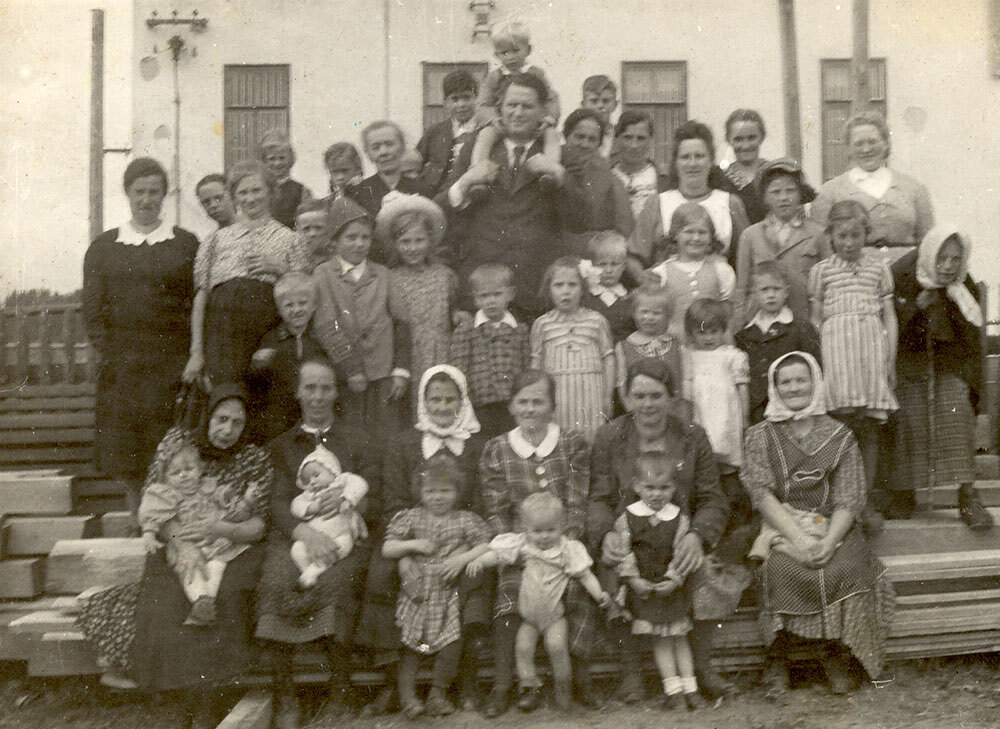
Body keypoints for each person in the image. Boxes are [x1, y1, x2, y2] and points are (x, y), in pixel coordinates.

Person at [76, 383, 272, 728]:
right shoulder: (176, 444)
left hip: (228, 547)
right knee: (167, 602)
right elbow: (156, 503)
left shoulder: (254, 458)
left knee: (224, 598)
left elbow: (259, 524)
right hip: (174, 544)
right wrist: (180, 542)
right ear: (207, 415)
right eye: (221, 419)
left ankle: (210, 700)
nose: (227, 430)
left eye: (237, 423)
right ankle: (180, 701)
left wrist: (220, 529)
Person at [741, 352, 895, 697]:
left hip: (831, 526)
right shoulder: (759, 436)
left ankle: (834, 654)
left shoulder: (840, 435)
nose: (794, 387)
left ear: (815, 382)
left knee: (848, 566)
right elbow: (762, 494)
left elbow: (849, 497)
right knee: (779, 567)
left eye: (801, 379)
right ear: (774, 388)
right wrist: (797, 538)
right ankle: (778, 658)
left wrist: (827, 541)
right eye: (786, 381)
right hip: (782, 525)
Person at [589, 359, 733, 702]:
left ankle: (702, 666)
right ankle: (630, 672)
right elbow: (597, 497)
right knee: (610, 572)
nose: (647, 404)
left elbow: (713, 498)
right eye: (639, 395)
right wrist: (606, 533)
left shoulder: (692, 436)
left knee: (704, 573)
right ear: (626, 397)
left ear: (671, 397)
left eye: (656, 395)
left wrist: (697, 535)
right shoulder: (611, 436)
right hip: (630, 537)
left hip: (678, 538)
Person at [355, 364, 490, 716]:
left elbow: (479, 506)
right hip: (411, 539)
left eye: (450, 399)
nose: (443, 407)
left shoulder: (475, 445)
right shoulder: (404, 443)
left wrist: (461, 549)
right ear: (423, 401)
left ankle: (464, 681)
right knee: (381, 576)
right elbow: (393, 504)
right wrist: (404, 558)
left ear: (462, 401)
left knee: (473, 577)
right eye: (435, 399)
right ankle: (391, 684)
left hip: (458, 539)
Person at [258, 357, 381, 729]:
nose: (318, 395)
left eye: (326, 387)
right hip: (296, 536)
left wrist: (356, 507)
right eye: (310, 387)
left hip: (345, 534)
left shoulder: (357, 438)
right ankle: (285, 693)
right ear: (297, 392)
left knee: (337, 579)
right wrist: (304, 532)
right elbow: (278, 502)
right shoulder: (283, 445)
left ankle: (339, 689)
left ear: (336, 391)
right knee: (277, 577)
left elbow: (375, 490)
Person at [83, 157, 199, 516]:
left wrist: (189, 355)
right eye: (139, 191)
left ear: (164, 195)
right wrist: (112, 353)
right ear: (127, 194)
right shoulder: (104, 247)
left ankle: (169, 518)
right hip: (124, 366)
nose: (146, 199)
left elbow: (196, 302)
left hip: (171, 364)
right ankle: (137, 518)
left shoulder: (184, 243)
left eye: (154, 191)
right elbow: (93, 309)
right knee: (127, 448)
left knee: (167, 443)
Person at [478, 370, 594, 717]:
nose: (531, 408)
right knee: (509, 592)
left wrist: (565, 542)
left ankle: (580, 680)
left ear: (552, 406)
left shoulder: (572, 443)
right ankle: (506, 683)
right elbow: (496, 507)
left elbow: (577, 500)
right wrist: (515, 547)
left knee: (579, 589)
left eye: (538, 401)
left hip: (562, 542)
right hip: (521, 547)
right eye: (523, 402)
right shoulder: (497, 449)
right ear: (512, 406)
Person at [438, 72, 589, 319]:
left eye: (527, 106)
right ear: (500, 108)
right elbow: (441, 213)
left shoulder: (564, 157)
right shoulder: (476, 149)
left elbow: (580, 221)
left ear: (543, 112)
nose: (517, 113)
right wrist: (466, 182)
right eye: (511, 105)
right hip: (482, 294)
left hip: (538, 295)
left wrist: (560, 177)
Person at [470, 493, 611, 713]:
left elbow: (585, 575)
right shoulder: (522, 546)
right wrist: (480, 560)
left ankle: (563, 689)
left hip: (555, 617)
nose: (544, 537)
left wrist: (599, 593)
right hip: (529, 618)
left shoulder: (566, 550)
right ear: (525, 529)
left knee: (556, 647)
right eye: (537, 531)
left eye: (551, 530)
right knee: (523, 648)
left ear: (561, 526)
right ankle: (530, 687)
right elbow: (498, 556)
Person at [891, 226, 992, 529]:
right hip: (908, 361)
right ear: (929, 255)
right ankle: (904, 492)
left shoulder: (965, 285)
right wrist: (914, 311)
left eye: (955, 259)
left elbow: (970, 340)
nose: (948, 266)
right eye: (942, 259)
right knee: (909, 418)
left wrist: (971, 386)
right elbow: (890, 329)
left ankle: (967, 495)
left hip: (949, 363)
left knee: (957, 412)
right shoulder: (903, 276)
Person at [809, 200, 898, 534]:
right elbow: (816, 320)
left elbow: (889, 316)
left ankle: (863, 500)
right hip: (837, 355)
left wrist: (889, 358)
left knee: (868, 430)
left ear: (866, 234)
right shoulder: (821, 271)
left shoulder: (878, 267)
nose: (849, 242)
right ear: (831, 236)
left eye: (856, 235)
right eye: (841, 236)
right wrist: (823, 363)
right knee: (839, 429)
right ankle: (838, 501)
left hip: (870, 353)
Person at [383, 453, 492, 719]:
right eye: (430, 491)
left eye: (445, 490)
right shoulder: (410, 517)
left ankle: (437, 694)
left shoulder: (465, 519)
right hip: (417, 593)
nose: (438, 497)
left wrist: (461, 559)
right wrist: (412, 545)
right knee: (412, 645)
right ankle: (409, 699)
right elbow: (388, 547)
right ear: (420, 491)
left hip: (447, 593)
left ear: (457, 492)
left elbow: (486, 543)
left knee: (451, 642)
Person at [184, 160, 309, 389]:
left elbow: (304, 295)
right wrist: (196, 352)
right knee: (226, 398)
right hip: (221, 339)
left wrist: (282, 270)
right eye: (243, 192)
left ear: (271, 192)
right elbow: (201, 299)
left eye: (256, 190)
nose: (250, 198)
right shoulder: (214, 241)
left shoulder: (291, 239)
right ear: (234, 196)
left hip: (267, 337)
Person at [608, 451, 704, 710]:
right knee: (661, 640)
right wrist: (633, 580)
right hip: (645, 590)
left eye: (664, 488)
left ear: (674, 487)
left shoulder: (679, 519)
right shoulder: (626, 518)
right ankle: (674, 691)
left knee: (680, 637)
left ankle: (691, 687)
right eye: (649, 487)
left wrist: (675, 578)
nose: (657, 494)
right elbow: (624, 553)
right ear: (637, 486)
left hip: (671, 589)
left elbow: (681, 553)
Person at [312, 196, 410, 443]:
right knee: (352, 436)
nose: (359, 244)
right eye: (351, 237)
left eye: (365, 238)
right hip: (346, 375)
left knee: (386, 434)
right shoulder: (323, 274)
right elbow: (326, 325)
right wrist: (351, 369)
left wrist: (400, 370)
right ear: (334, 241)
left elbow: (401, 323)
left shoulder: (383, 274)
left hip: (383, 372)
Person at [138, 442, 253, 626]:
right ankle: (200, 599)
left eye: (189, 469)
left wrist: (240, 499)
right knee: (190, 570)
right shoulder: (166, 494)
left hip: (215, 542)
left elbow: (226, 499)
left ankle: (207, 600)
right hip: (186, 543)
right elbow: (153, 514)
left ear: (200, 469)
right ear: (165, 477)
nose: (183, 475)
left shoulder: (209, 487)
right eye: (175, 473)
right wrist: (148, 533)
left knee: (217, 565)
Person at [811, 110, 934, 265]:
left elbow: (929, 242)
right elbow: (823, 246)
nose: (866, 149)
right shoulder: (829, 192)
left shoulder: (914, 188)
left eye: (872, 141)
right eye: (858, 144)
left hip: (908, 277)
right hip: (854, 276)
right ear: (848, 148)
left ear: (885, 143)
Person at [630, 120, 749, 274]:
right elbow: (634, 256)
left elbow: (749, 254)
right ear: (676, 162)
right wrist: (645, 280)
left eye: (699, 156)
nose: (692, 164)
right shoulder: (658, 203)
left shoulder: (730, 203)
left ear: (711, 160)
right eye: (685, 157)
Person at [379, 191, 461, 391]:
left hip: (441, 352)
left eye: (419, 240)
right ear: (395, 244)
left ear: (430, 241)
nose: (413, 248)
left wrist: (459, 315)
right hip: (406, 356)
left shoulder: (445, 275)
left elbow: (453, 311)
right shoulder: (390, 278)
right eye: (405, 242)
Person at [681, 299, 751, 526]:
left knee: (728, 464)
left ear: (724, 330)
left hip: (725, 417)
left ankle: (733, 516)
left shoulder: (731, 355)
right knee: (704, 462)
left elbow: (742, 387)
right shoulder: (688, 355)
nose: (709, 337)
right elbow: (687, 390)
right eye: (702, 333)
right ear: (691, 333)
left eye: (714, 331)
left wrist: (745, 418)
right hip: (700, 415)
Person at [734, 158, 828, 326]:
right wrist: (739, 327)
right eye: (775, 192)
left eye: (790, 191)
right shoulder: (750, 235)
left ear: (801, 194)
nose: (783, 198)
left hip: (805, 323)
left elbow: (829, 284)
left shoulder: (818, 234)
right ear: (765, 198)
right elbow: (742, 289)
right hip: (761, 324)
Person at [470, 20, 562, 191]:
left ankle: (549, 171)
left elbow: (551, 98)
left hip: (532, 123)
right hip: (500, 122)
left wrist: (549, 118)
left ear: (528, 50)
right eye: (504, 53)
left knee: (552, 135)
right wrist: (492, 120)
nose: (510, 57)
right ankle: (478, 173)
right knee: (485, 135)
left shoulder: (536, 74)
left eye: (515, 50)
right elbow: (482, 104)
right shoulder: (494, 77)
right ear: (496, 55)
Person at [530, 257, 615, 441]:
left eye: (572, 285)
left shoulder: (596, 320)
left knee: (592, 435)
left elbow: (608, 357)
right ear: (549, 290)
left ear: (583, 289)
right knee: (560, 437)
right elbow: (536, 363)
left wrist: (608, 396)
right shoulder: (542, 324)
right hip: (557, 393)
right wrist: (537, 397)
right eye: (559, 285)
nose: (565, 291)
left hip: (591, 391)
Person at [449, 263, 531, 440]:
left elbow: (526, 367)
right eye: (484, 296)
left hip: (511, 404)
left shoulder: (520, 329)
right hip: (480, 405)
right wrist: (467, 400)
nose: (491, 301)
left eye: (497, 294)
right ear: (475, 299)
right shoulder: (467, 330)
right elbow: (459, 369)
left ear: (510, 294)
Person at [735, 262, 821, 425]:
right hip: (758, 410)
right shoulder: (744, 334)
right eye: (764, 290)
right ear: (754, 294)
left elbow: (815, 368)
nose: (771, 295)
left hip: (792, 406)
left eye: (776, 289)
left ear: (786, 292)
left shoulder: (800, 328)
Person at [248, 273, 328, 444]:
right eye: (289, 305)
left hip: (312, 407)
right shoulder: (272, 338)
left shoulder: (319, 337)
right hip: (279, 412)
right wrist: (258, 364)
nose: (297, 310)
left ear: (314, 305)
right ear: (279, 310)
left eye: (303, 303)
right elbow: (257, 382)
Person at [647, 202, 737, 342]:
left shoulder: (721, 270)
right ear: (676, 235)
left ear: (710, 237)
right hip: (676, 344)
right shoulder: (661, 273)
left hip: (712, 345)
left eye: (702, 232)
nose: (695, 238)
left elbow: (728, 315)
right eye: (689, 232)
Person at [290, 445, 369, 587]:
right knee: (297, 549)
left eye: (316, 474)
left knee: (345, 544)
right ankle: (308, 572)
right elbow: (295, 505)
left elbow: (360, 483)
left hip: (340, 535)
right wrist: (309, 508)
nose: (312, 482)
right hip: (314, 536)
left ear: (332, 470)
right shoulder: (309, 494)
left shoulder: (342, 481)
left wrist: (347, 497)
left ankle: (312, 572)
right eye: (307, 480)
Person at [348, 120, 428, 262]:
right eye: (376, 147)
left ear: (402, 147)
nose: (383, 152)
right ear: (368, 154)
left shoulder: (422, 189)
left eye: (389, 144)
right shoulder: (357, 193)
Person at [560, 108, 633, 257]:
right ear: (566, 136)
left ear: (599, 144)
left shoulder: (611, 180)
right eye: (579, 137)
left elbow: (624, 228)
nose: (584, 144)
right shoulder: (552, 168)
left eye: (592, 139)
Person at [614, 284, 682, 407]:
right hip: (640, 411)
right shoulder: (624, 347)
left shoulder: (677, 344)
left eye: (656, 313)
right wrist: (629, 407)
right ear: (634, 313)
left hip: (675, 410)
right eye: (644, 312)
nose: (649, 317)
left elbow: (685, 379)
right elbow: (621, 382)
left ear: (668, 316)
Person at [416, 69, 480, 196]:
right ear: (445, 102)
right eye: (454, 99)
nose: (461, 104)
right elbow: (416, 164)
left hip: (473, 196)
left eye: (467, 98)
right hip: (437, 196)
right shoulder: (435, 132)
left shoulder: (485, 130)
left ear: (476, 99)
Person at [612, 111, 667, 229]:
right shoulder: (606, 175)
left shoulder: (664, 179)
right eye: (628, 137)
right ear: (617, 139)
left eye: (641, 138)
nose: (634, 145)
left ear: (650, 140)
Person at [580, 231, 634, 343]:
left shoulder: (630, 297)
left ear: (624, 266)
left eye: (614, 264)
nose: (608, 270)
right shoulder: (585, 297)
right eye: (602, 264)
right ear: (592, 266)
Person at [718, 109, 769, 224]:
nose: (745, 146)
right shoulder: (719, 177)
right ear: (728, 140)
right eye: (738, 139)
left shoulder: (774, 173)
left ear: (762, 137)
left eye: (751, 138)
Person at [260, 130, 313, 229]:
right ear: (264, 161)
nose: (277, 163)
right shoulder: (259, 189)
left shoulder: (301, 191)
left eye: (282, 158)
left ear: (290, 159)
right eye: (272, 158)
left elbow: (307, 222)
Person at [580, 74, 619, 158]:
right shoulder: (575, 137)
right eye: (594, 101)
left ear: (615, 104)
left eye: (606, 101)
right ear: (583, 105)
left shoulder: (622, 137)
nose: (600, 106)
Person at [294, 200, 334, 272]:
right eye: (306, 229)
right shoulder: (294, 260)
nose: (312, 234)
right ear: (298, 230)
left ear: (329, 229)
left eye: (318, 228)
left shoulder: (336, 259)